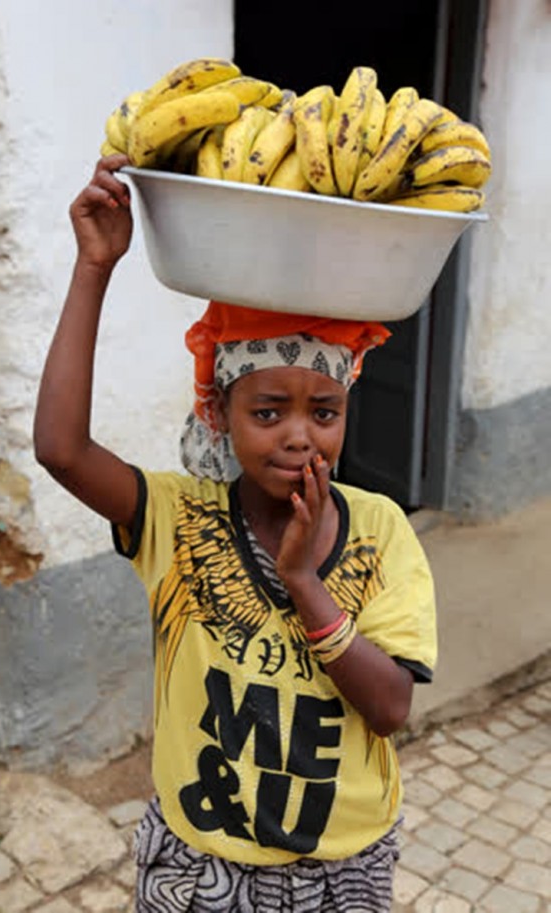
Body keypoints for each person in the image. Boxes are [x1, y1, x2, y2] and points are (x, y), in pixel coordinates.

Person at [34, 154, 437, 913]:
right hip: (200, 866)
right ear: (220, 414)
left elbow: (390, 708)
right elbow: (61, 449)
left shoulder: (380, 530)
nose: (299, 435)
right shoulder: (177, 518)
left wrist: (304, 583)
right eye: (267, 411)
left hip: (339, 870)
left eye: (324, 412)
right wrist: (94, 266)